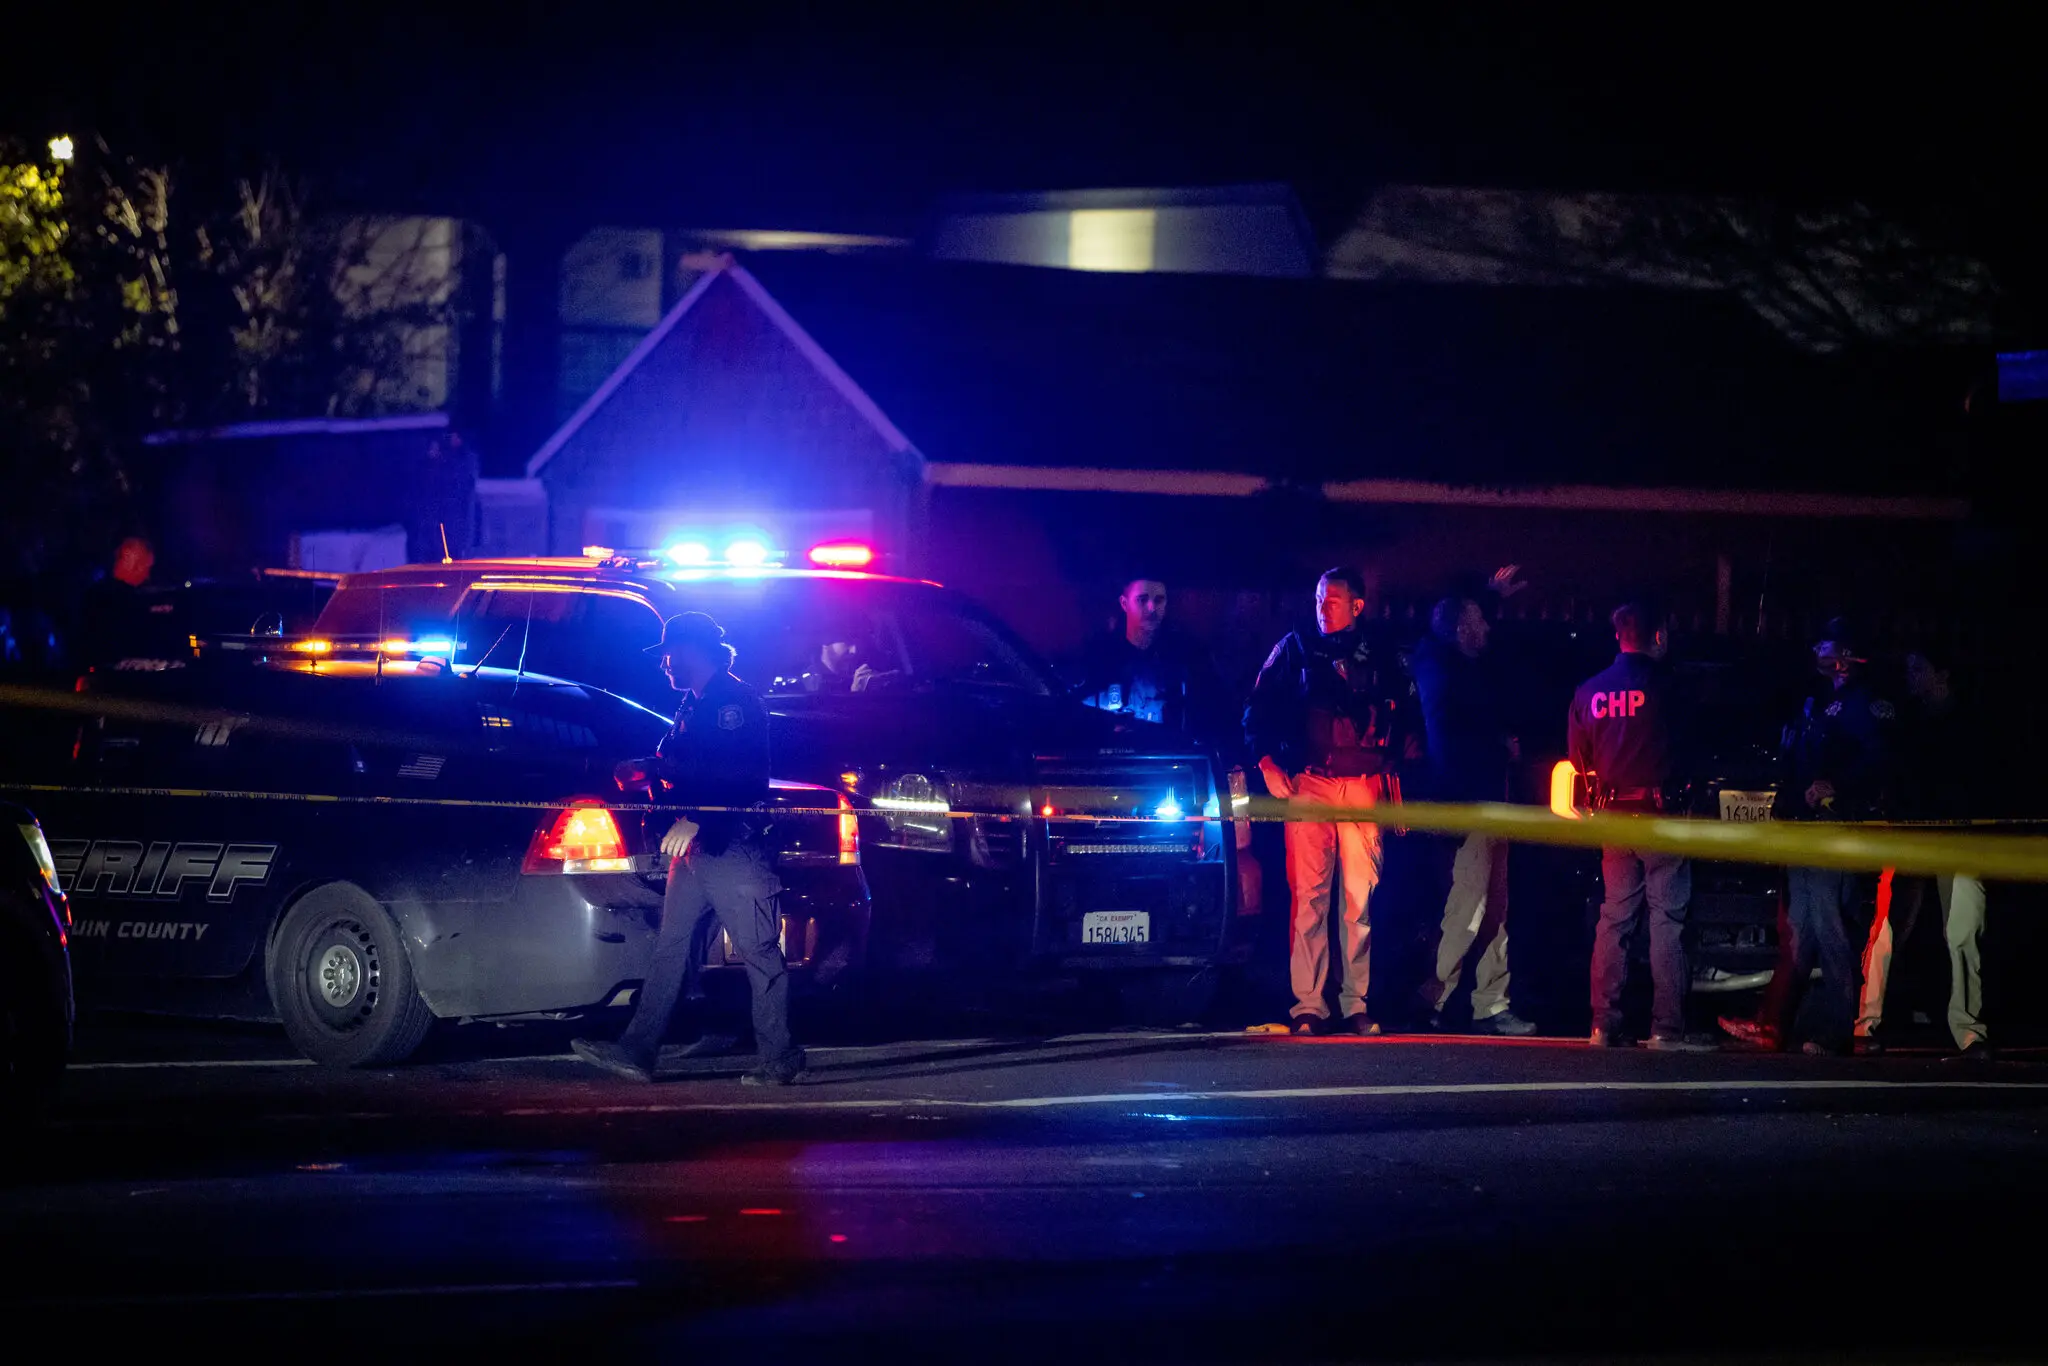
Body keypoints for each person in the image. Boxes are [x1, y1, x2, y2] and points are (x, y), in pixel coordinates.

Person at [572, 612, 805, 1086]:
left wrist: (697, 816)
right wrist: (647, 768)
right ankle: (638, 1050)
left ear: (694, 650)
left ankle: (780, 1057)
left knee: (759, 950)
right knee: (673, 948)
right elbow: (691, 761)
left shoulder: (733, 703)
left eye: (668, 654)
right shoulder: (696, 706)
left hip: (733, 846)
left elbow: (743, 778)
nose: (663, 665)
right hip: (697, 849)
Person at [1244, 567, 1419, 1035]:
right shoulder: (1294, 647)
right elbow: (1256, 712)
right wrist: (1266, 765)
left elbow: (1409, 721)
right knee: (1309, 898)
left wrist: (1395, 775)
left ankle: (1355, 1002)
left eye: (1333, 600)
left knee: (1358, 900)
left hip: (1364, 784)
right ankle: (1308, 1005)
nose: (1322, 608)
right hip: (1310, 783)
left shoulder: (1384, 652)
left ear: (1357, 605)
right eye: (1319, 599)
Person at [1722, 619, 1894, 1057]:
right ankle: (1774, 1024)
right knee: (1799, 930)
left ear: (1846, 656)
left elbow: (1878, 760)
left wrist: (1839, 786)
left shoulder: (1865, 704)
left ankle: (1838, 1030)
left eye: (1827, 644)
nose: (1817, 649)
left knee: (1831, 927)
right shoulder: (1816, 701)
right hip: (1801, 826)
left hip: (1834, 829)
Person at [1570, 601, 1713, 1050]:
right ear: (1659, 636)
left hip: (1614, 819)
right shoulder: (1669, 687)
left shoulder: (1590, 691)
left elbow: (1579, 759)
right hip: (1662, 817)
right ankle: (1666, 1028)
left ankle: (1602, 1024)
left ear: (1618, 637)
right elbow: (1692, 748)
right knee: (1667, 920)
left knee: (1614, 918)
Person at [1409, 588, 1537, 1035]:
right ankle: (1433, 996)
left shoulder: (1462, 669)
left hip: (1488, 801)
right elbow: (1449, 739)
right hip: (1469, 804)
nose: (1488, 628)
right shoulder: (1440, 669)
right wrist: (1497, 746)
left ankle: (1490, 1003)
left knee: (1495, 908)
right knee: (1470, 907)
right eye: (1480, 619)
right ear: (1462, 628)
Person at [1854, 643, 1991, 1059]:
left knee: (1964, 930)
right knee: (1886, 928)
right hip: (1909, 834)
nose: (1911, 675)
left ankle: (1969, 1031)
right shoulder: (1906, 720)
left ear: (1943, 674)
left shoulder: (1968, 722)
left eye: (1919, 668)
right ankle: (1865, 1024)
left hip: (1958, 837)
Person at [1071, 575, 1222, 743]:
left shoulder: (1189, 656)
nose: (1151, 608)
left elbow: (1212, 711)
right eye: (1142, 600)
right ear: (1124, 603)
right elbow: (1075, 710)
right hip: (1107, 757)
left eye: (1159, 600)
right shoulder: (1097, 656)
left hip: (1170, 758)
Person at [74, 536, 158, 670]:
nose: (147, 576)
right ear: (135, 564)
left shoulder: (94, 593)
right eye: (146, 568)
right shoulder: (124, 599)